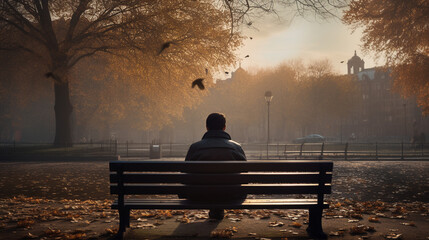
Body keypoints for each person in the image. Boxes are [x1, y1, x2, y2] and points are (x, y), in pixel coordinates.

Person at [184, 113, 246, 220]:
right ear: (224, 127)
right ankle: (218, 211)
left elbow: (186, 174)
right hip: (231, 195)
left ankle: (215, 211)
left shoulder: (195, 147)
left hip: (199, 195)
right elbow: (244, 173)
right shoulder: (236, 147)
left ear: (207, 127)